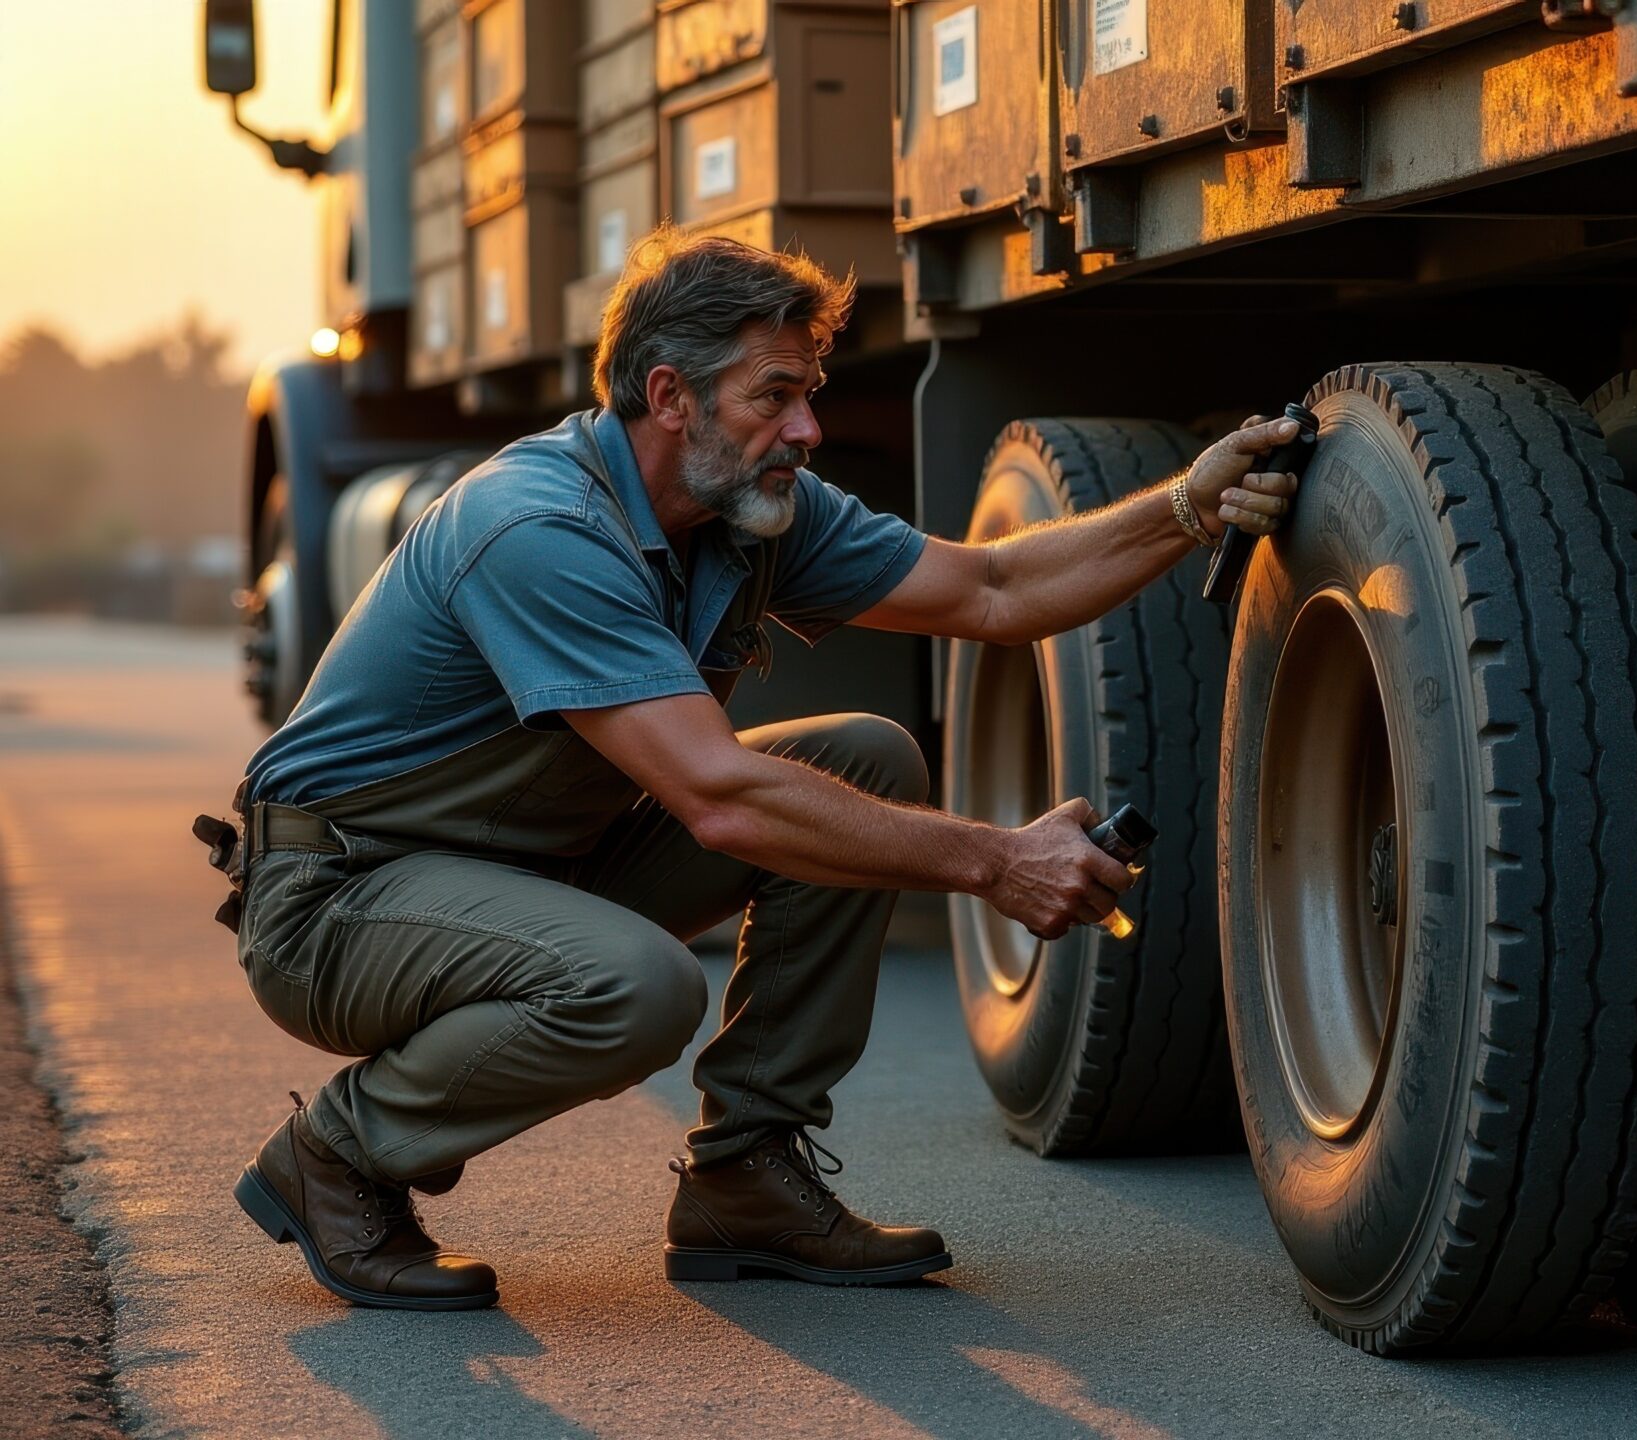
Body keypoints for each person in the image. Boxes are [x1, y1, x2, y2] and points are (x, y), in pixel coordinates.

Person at [216, 228, 1299, 1310]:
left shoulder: (743, 508)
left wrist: (1185, 509)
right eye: (773, 396)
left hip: (524, 872)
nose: (808, 429)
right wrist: (995, 862)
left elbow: (994, 591)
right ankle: (339, 1156)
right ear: (670, 394)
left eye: (810, 392)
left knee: (864, 761)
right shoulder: (538, 527)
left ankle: (746, 1176)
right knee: (635, 987)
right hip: (341, 904)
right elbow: (719, 798)